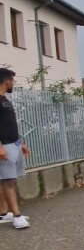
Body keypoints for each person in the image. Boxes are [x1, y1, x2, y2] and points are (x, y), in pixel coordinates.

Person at [0, 69, 31, 229]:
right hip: (4, 146)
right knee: (9, 180)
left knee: (3, 179)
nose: (13, 83)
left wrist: (21, 143)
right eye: (12, 80)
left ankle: (4, 213)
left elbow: (9, 125)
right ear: (7, 81)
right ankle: (17, 217)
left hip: (13, 144)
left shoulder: (5, 99)